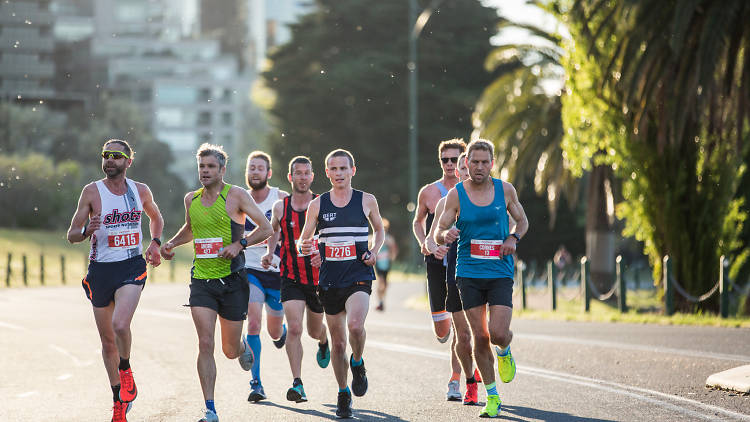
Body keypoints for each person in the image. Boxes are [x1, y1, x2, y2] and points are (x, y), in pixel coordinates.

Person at [159, 144, 273, 422]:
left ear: (222, 170)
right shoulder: (191, 199)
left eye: (210, 167)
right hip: (202, 281)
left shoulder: (236, 195)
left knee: (229, 350)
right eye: (201, 166)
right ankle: (210, 408)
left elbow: (267, 228)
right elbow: (190, 228)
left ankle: (242, 347)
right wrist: (171, 243)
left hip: (233, 280)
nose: (205, 171)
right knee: (205, 343)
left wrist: (240, 244)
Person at [66, 139, 164, 422]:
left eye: (116, 156)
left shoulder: (140, 190)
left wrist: (155, 243)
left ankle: (126, 368)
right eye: (105, 155)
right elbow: (71, 234)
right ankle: (118, 402)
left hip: (131, 266)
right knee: (108, 341)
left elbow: (156, 217)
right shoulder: (91, 192)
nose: (109, 160)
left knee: (121, 324)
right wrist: (86, 229)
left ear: (128, 162)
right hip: (100, 270)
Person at [435, 139, 529, 418]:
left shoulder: (505, 190)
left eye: (484, 162)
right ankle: (492, 395)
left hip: (499, 272)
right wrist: (445, 235)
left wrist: (513, 237)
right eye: (473, 162)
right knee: (480, 336)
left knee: (499, 333)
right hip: (468, 273)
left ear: (492, 163)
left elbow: (522, 221)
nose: (478, 167)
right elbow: (439, 228)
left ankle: (505, 350)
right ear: (467, 163)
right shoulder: (456, 194)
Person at [298, 149, 385, 419]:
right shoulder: (318, 205)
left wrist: (374, 250)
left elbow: (379, 230)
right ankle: (343, 393)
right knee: (337, 344)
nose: (339, 174)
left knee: (356, 326)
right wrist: (310, 250)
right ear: (327, 173)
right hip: (330, 279)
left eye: (343, 169)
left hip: (358, 274)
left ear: (352, 171)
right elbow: (304, 241)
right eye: (333, 169)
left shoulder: (366, 200)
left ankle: (357, 362)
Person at [262, 156, 330, 403]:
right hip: (290, 276)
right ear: (290, 177)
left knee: (313, 331)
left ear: (312, 176)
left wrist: (322, 255)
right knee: (295, 327)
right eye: (297, 173)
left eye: (306, 173)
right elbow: (274, 231)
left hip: (318, 279)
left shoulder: (322, 204)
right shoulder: (281, 207)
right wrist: (270, 253)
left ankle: (324, 341)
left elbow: (330, 237)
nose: (302, 177)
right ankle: (297, 383)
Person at [425, 152, 482, 405]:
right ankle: (457, 380)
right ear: (457, 172)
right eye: (462, 167)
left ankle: (485, 362)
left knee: (483, 333)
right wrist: (437, 243)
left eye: (469, 166)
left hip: (486, 274)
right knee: (462, 335)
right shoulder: (447, 201)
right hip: (456, 274)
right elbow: (431, 235)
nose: (467, 171)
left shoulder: (490, 199)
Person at [412, 138, 467, 400]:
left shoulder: (473, 191)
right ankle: (452, 339)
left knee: (461, 326)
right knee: (442, 330)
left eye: (454, 160)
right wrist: (427, 243)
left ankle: (456, 379)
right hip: (436, 263)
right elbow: (417, 222)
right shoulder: (429, 192)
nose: (448, 164)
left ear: (463, 161)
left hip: (464, 265)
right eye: (444, 160)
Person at [242, 151, 289, 402]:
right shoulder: (239, 198)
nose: (255, 172)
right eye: (252, 168)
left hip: (277, 272)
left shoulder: (280, 198)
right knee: (253, 323)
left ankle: (280, 331)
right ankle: (256, 383)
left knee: (272, 331)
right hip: (250, 270)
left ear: (268, 173)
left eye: (260, 168)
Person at [374, 218, 398, 311]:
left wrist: (392, 256)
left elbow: (394, 249)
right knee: (381, 282)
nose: (384, 229)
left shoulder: (389, 238)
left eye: (385, 228)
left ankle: (382, 301)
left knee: (385, 284)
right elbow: (369, 246)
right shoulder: (375, 237)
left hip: (386, 263)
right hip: (378, 263)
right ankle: (379, 302)